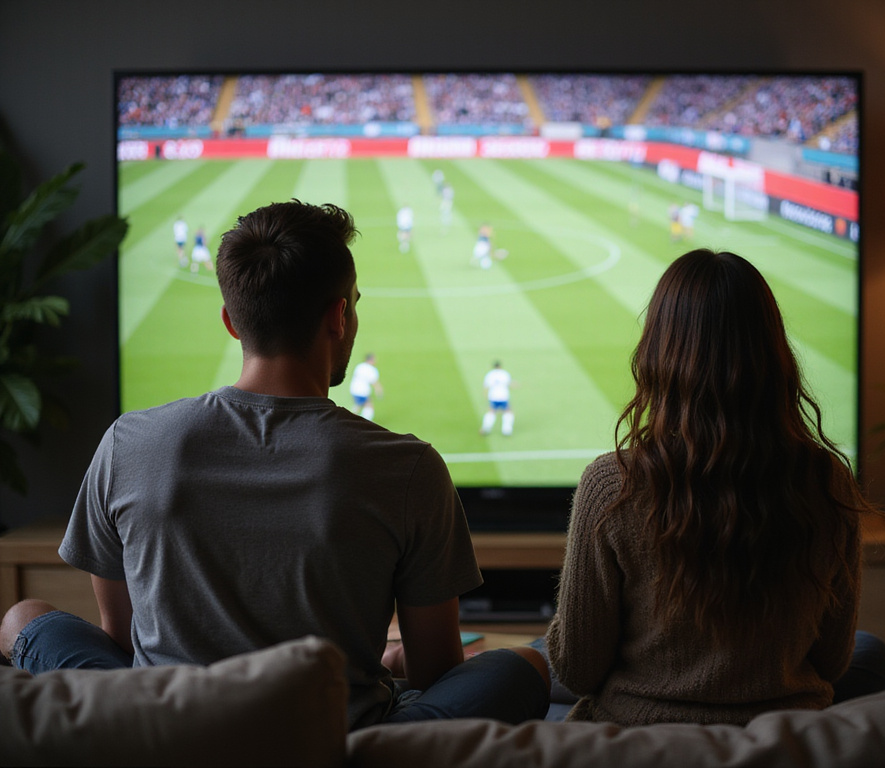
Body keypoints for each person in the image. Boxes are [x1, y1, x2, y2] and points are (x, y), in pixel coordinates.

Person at [0, 200, 549, 729]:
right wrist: (389, 662)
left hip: (162, 727)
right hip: (340, 738)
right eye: (354, 301)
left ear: (231, 322)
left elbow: (122, 638)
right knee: (522, 666)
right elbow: (435, 673)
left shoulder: (127, 442)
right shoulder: (410, 468)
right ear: (339, 316)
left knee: (22, 619)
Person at [544, 249, 885, 726]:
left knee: (528, 658)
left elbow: (579, 670)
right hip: (784, 733)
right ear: (773, 353)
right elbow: (831, 663)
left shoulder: (612, 485)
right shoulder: (827, 478)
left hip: (641, 733)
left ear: (656, 352)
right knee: (872, 655)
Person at [480, 360, 515, 436]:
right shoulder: (504, 374)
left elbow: (486, 387)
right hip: (503, 397)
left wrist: (486, 397)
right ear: (500, 366)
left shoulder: (490, 375)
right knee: (508, 412)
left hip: (493, 397)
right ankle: (507, 430)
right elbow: (509, 384)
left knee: (491, 412)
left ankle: (486, 428)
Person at [349, 352, 383, 421]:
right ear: (371, 360)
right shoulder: (371, 369)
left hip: (354, 389)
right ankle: (363, 421)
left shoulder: (360, 366)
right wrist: (379, 392)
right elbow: (375, 383)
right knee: (367, 406)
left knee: (359, 405)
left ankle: (355, 420)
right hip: (362, 391)